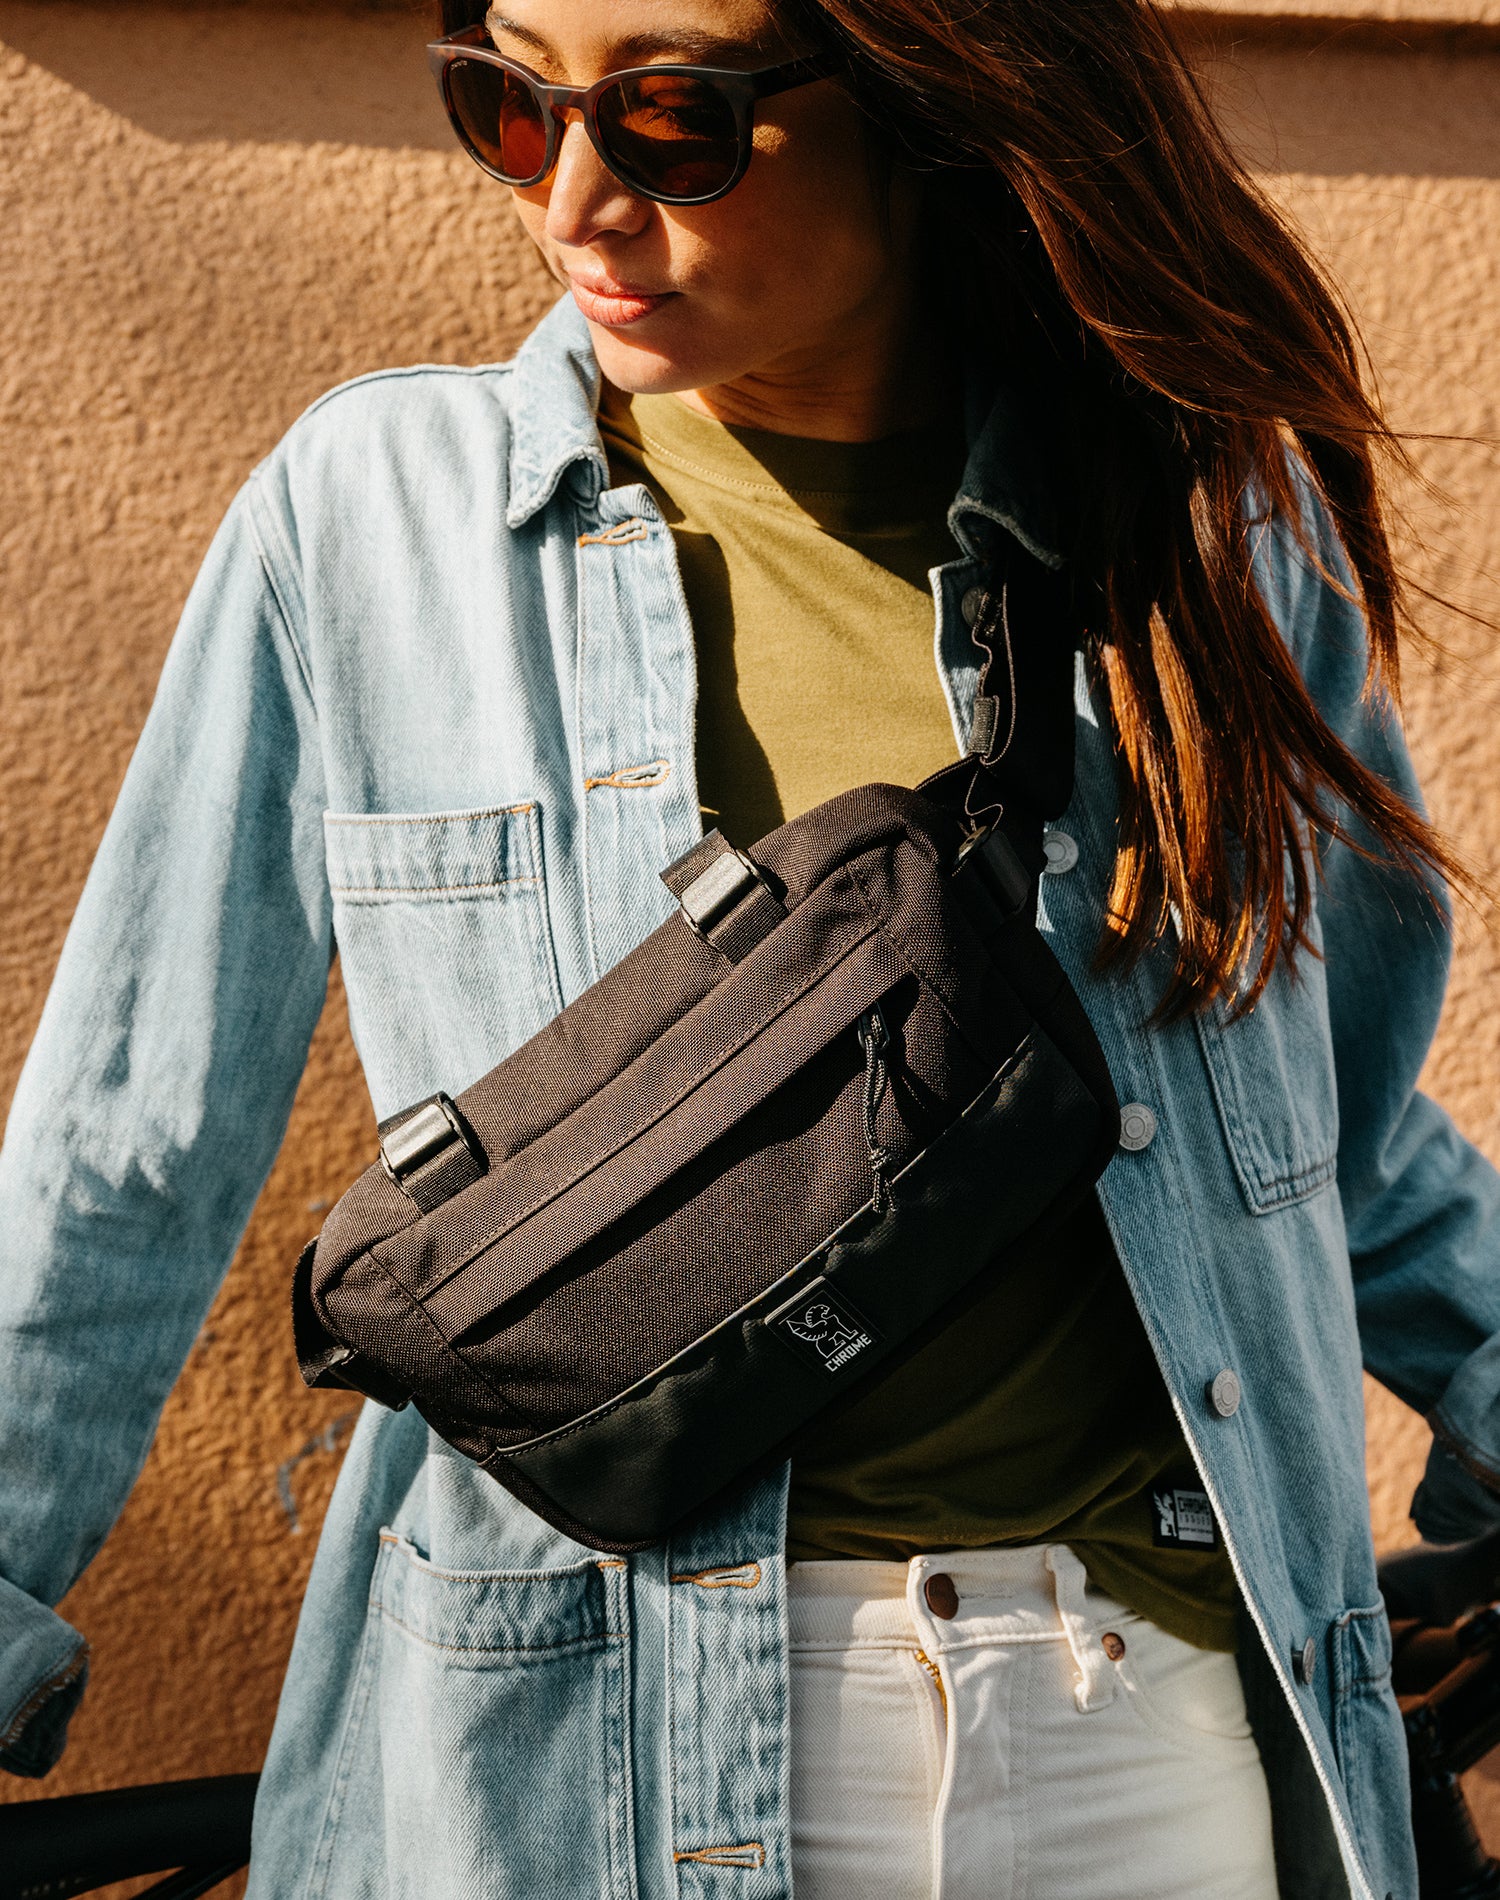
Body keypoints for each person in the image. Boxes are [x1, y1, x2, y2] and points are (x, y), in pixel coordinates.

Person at [2, 0, 1497, 1893]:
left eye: (671, 120)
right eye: (510, 105)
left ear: (929, 105)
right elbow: (126, 1144)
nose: (574, 198)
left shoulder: (1205, 527)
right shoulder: (379, 523)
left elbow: (1333, 1132)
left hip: (1140, 1730)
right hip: (568, 1761)